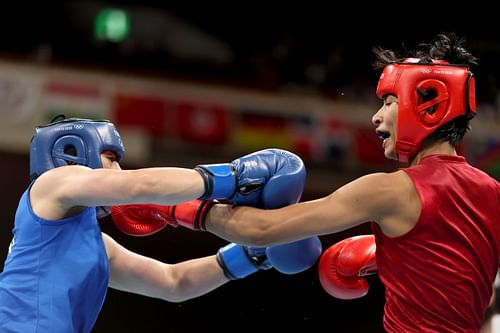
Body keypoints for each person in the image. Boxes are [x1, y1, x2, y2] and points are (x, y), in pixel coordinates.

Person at [113, 33, 500, 332]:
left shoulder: (391, 190)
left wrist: (173, 209)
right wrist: (391, 256)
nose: (376, 118)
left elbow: (263, 230)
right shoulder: (492, 193)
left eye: (388, 102)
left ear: (426, 102)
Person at [0, 115, 323, 333]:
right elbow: (140, 186)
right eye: (111, 158)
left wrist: (253, 254)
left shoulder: (96, 246)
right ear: (71, 152)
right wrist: (234, 177)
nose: (119, 169)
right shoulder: (53, 185)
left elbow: (174, 282)